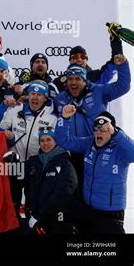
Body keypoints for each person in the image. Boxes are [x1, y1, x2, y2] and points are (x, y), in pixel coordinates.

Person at [53, 55, 130, 191]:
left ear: (84, 80)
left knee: (94, 188)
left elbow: (122, 86)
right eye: (70, 79)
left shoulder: (98, 91)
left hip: (95, 148)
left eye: (77, 79)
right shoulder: (59, 99)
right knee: (74, 190)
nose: (73, 82)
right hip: (73, 150)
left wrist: (122, 65)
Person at [55, 108, 134, 233]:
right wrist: (64, 118)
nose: (99, 132)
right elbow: (63, 141)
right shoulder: (89, 143)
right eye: (96, 129)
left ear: (112, 130)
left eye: (104, 129)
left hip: (110, 214)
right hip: (88, 209)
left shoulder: (120, 150)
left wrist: (117, 134)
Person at [0, 80, 58, 216]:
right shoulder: (16, 109)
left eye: (39, 95)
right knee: (12, 201)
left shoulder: (52, 116)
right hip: (15, 165)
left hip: (37, 167)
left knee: (32, 202)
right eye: (32, 94)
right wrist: (7, 133)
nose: (35, 98)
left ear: (45, 98)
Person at [22, 127, 78, 234]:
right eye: (42, 140)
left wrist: (39, 215)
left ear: (55, 141)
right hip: (35, 218)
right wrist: (10, 163)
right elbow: (15, 173)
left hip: (57, 221)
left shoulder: (65, 164)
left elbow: (61, 194)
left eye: (49, 140)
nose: (45, 143)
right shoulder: (33, 162)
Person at [53, 29, 124, 91]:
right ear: (70, 61)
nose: (79, 59)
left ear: (86, 60)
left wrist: (115, 39)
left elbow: (116, 62)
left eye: (83, 57)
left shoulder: (95, 76)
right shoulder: (60, 81)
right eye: (75, 57)